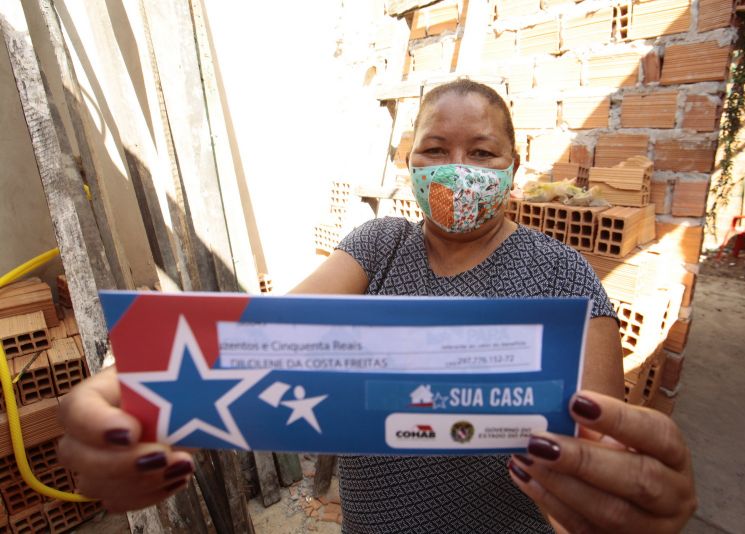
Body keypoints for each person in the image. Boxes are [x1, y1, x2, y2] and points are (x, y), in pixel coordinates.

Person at [57, 79, 697, 533]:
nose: (456, 171)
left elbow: (597, 466)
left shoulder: (561, 275)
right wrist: (133, 385)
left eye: (481, 153)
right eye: (434, 150)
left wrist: (625, 511)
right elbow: (266, 335)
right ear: (408, 161)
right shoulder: (380, 245)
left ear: (513, 166)